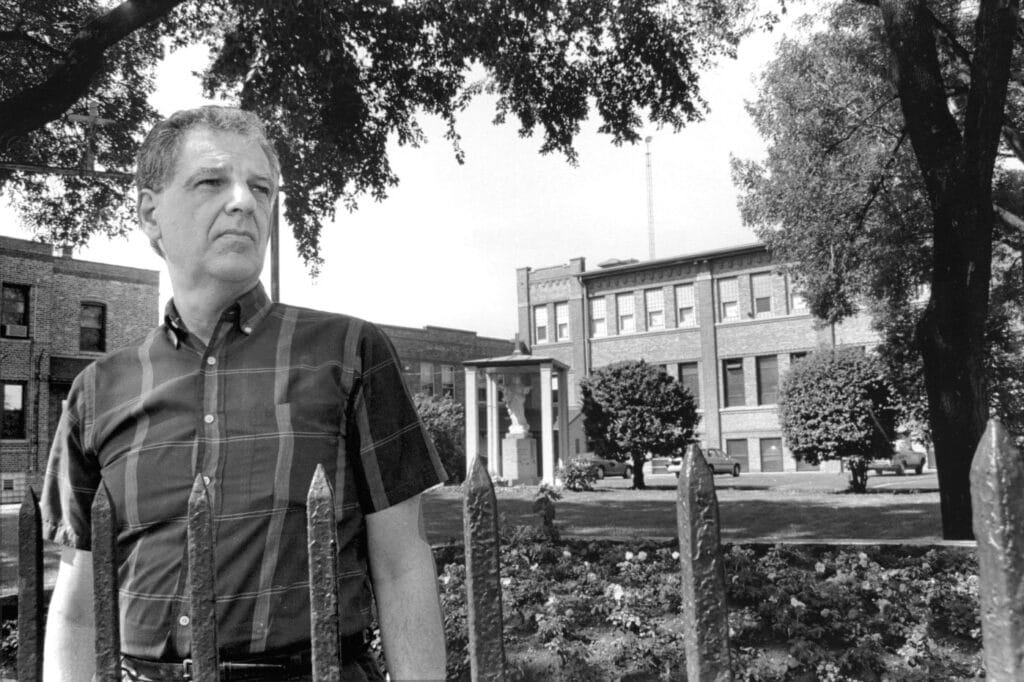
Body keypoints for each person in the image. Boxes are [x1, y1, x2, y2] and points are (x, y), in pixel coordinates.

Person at [39, 106, 449, 681]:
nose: (243, 201)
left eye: (261, 187)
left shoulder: (349, 352)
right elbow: (80, 606)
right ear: (151, 214)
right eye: (212, 181)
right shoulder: (97, 391)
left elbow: (403, 565)